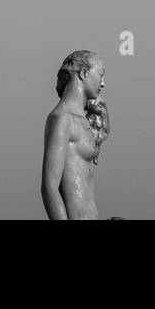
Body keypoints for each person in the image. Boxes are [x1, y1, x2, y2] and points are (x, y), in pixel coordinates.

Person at [42, 51, 111, 220]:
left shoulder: (83, 121)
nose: (103, 83)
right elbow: (49, 187)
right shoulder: (62, 119)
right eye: (100, 75)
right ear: (84, 73)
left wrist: (104, 114)